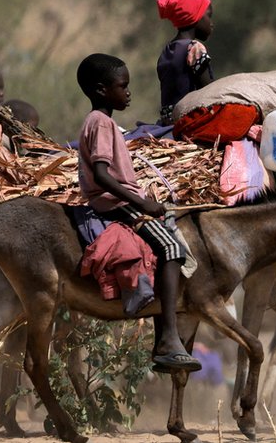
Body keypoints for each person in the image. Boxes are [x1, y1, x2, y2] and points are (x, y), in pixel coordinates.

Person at [76, 53, 200, 373]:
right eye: (123, 86)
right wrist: (142, 203)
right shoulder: (101, 123)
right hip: (116, 204)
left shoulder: (100, 122)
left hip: (121, 201)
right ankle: (170, 337)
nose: (128, 92)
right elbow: (103, 175)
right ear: (102, 90)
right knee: (172, 248)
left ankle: (165, 340)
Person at [156, 0, 215, 125]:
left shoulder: (167, 50)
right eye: (209, 16)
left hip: (167, 121)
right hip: (189, 119)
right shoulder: (194, 48)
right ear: (196, 16)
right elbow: (209, 92)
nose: (212, 24)